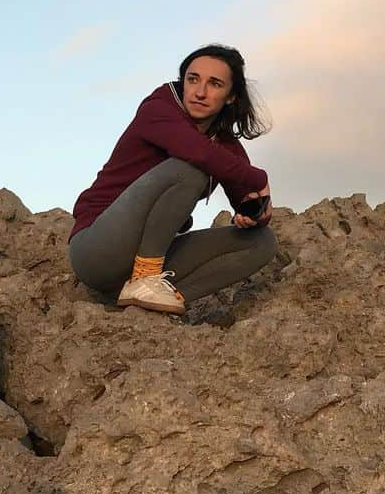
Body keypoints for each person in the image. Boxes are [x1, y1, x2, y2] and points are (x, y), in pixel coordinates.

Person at [67, 44, 278, 315]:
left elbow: (246, 194)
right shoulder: (158, 109)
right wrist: (258, 177)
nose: (200, 92)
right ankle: (147, 278)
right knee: (189, 169)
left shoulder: (224, 147)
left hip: (147, 257)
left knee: (263, 242)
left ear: (231, 97)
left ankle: (157, 302)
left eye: (214, 84)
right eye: (192, 80)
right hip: (96, 249)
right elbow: (196, 153)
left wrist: (254, 214)